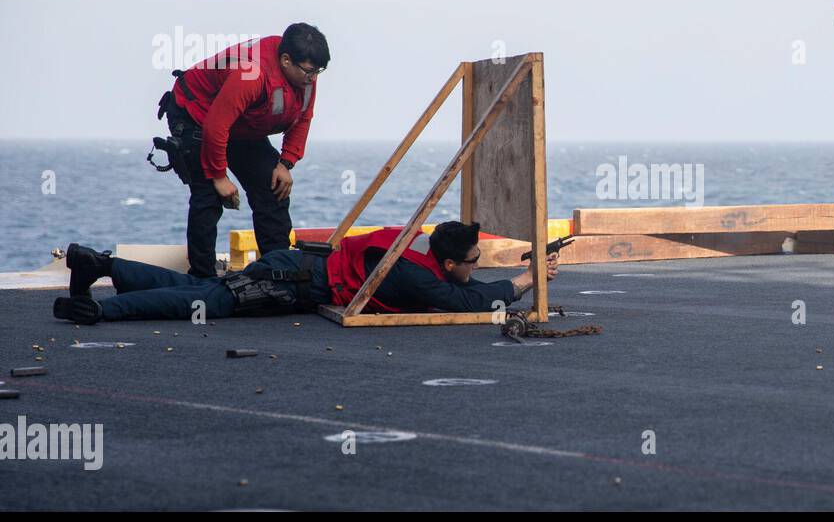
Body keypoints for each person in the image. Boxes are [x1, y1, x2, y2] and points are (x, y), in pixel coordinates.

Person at [51, 222, 559, 324]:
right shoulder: (417, 276)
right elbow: (469, 303)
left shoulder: (412, 242)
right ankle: (97, 307)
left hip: (295, 268)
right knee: (203, 303)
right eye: (473, 261)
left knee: (200, 289)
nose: (477, 266)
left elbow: (463, 285)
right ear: (448, 263)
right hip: (288, 283)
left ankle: (103, 265)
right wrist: (524, 283)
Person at [152, 23, 329, 278]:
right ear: (286, 60)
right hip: (197, 116)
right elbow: (216, 125)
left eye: (318, 71)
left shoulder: (305, 75)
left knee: (273, 188)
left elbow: (303, 117)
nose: (313, 78)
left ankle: (278, 272)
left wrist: (285, 163)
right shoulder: (252, 75)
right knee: (209, 195)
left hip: (242, 124)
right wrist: (219, 176)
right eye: (310, 72)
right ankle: (201, 278)